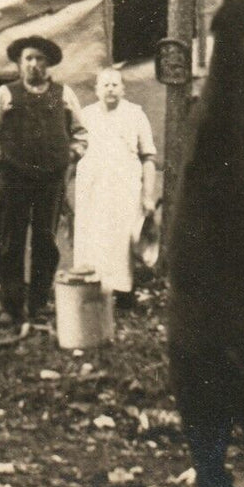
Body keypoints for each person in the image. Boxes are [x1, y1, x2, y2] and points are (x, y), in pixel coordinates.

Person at [0, 35, 88, 326]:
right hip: (14, 180)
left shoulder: (64, 94)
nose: (34, 64)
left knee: (46, 242)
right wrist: (3, 160)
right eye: (28, 58)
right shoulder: (5, 94)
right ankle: (11, 307)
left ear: (48, 64)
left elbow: (81, 132)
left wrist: (69, 156)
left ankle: (39, 302)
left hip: (51, 181)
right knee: (11, 242)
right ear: (19, 63)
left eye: (40, 59)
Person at [74, 68, 158, 310]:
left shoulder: (135, 115)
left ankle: (124, 293)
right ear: (96, 89)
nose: (110, 89)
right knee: (91, 238)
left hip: (124, 188)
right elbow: (74, 151)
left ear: (123, 88)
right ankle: (91, 292)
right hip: (92, 188)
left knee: (121, 240)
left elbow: (149, 157)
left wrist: (148, 195)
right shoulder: (86, 116)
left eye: (115, 84)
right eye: (105, 85)